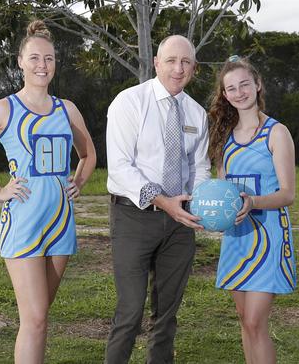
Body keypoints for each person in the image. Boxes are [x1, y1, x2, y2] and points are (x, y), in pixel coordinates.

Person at [0, 20, 96, 363]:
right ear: (20, 61)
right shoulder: (4, 108)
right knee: (34, 318)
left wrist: (78, 182)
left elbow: (88, 155)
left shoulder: (67, 109)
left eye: (49, 58)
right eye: (34, 58)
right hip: (24, 223)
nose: (42, 65)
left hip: (61, 223)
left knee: (40, 319)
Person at [105, 34, 210, 363]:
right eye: (171, 61)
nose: (178, 69)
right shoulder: (130, 102)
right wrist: (162, 200)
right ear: (156, 63)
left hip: (179, 225)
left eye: (186, 62)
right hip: (134, 217)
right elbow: (120, 167)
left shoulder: (196, 114)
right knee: (130, 312)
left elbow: (200, 166)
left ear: (194, 67)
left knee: (166, 316)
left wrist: (201, 202)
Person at [207, 55, 296, 364]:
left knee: (257, 321)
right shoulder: (223, 138)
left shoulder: (276, 132)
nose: (239, 92)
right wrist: (211, 213)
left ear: (258, 85)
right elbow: (222, 191)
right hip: (236, 238)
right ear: (225, 95)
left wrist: (253, 201)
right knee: (245, 319)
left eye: (245, 84)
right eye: (231, 88)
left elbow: (288, 194)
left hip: (268, 235)